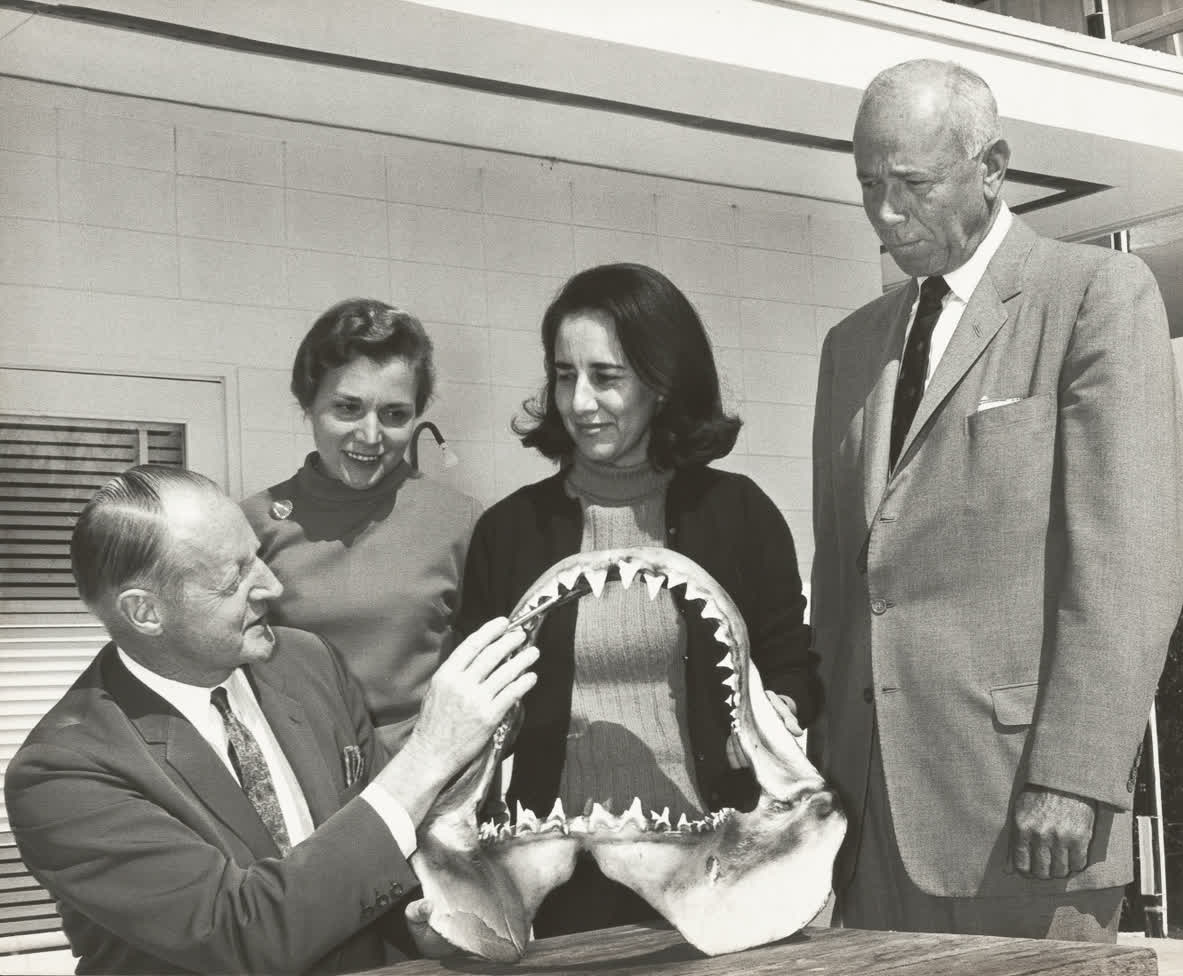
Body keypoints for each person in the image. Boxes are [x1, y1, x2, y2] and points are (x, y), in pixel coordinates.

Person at [809, 58, 1183, 941]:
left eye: (912, 183)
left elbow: (1128, 569)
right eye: (868, 184)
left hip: (1029, 823)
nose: (885, 212)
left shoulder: (1095, 296)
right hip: (868, 830)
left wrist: (1075, 773)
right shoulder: (850, 347)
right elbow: (843, 588)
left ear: (992, 167)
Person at [5, 466, 537, 974]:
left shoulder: (305, 663)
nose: (271, 587)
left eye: (255, 556)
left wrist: (423, 923)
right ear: (146, 612)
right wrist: (429, 756)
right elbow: (247, 935)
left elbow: (379, 850)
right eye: (233, 577)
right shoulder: (63, 774)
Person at [459, 262, 821, 937]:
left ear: (661, 383)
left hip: (715, 863)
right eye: (565, 375)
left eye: (606, 376)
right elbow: (471, 698)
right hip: (561, 880)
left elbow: (793, 663)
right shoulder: (508, 532)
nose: (581, 401)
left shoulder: (738, 513)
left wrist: (777, 712)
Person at [242, 299, 481, 753]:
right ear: (308, 403)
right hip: (305, 780)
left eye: (395, 415)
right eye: (348, 408)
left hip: (432, 778)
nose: (370, 436)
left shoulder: (460, 522)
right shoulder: (252, 526)